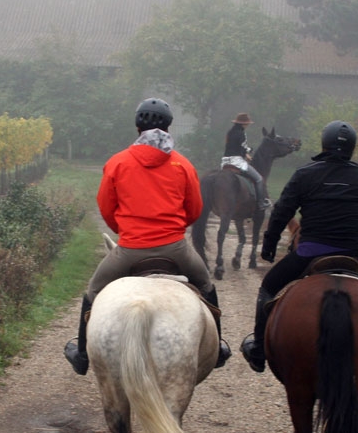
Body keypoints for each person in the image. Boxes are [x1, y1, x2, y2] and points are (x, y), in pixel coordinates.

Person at [64, 97, 232, 374]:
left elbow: (106, 207)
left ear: (136, 127)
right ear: (168, 127)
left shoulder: (118, 162)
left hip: (129, 249)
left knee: (93, 292)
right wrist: (175, 229)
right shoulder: (183, 165)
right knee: (206, 286)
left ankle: (82, 355)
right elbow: (194, 210)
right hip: (176, 248)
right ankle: (217, 350)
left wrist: (125, 232)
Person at [239, 120, 358, 373]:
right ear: (352, 148)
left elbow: (281, 212)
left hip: (310, 252)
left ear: (324, 144)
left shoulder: (305, 174)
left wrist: (269, 245)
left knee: (268, 287)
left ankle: (258, 348)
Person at [222, 112, 271, 210]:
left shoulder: (230, 132)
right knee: (259, 179)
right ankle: (261, 203)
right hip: (237, 162)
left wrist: (245, 155)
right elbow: (243, 147)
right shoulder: (242, 133)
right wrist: (249, 150)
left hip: (225, 161)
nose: (248, 125)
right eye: (247, 123)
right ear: (243, 123)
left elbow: (233, 147)